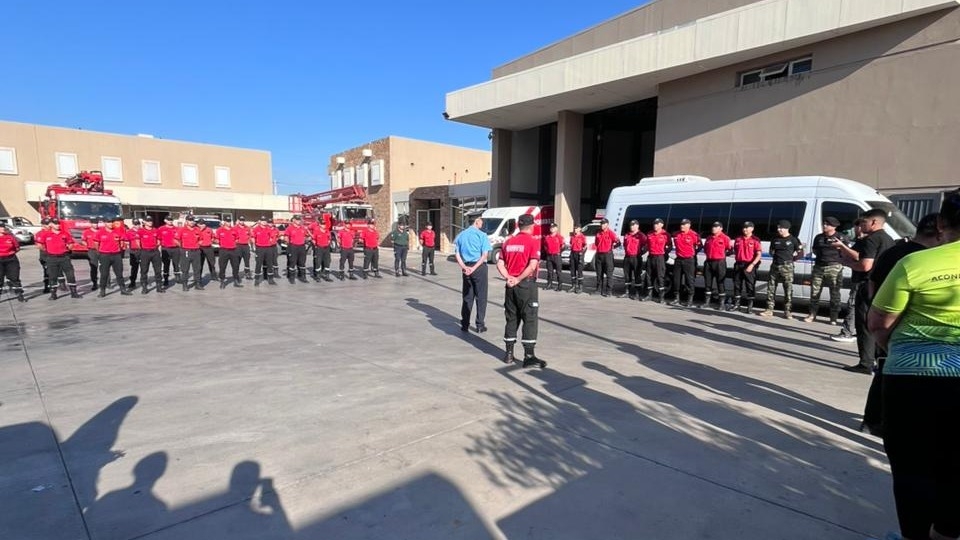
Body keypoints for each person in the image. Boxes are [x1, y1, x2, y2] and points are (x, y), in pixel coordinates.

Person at [868, 191, 960, 540]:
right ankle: (947, 532)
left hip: (912, 378)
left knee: (912, 466)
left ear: (941, 223)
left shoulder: (916, 264)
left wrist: (897, 349)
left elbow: (879, 323)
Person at [860, 213, 941, 436]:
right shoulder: (924, 259)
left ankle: (871, 420)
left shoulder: (893, 252)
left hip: (882, 320)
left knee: (883, 371)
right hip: (908, 327)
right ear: (939, 233)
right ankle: (889, 422)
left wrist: (876, 309)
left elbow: (872, 283)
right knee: (902, 378)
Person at [834, 208, 896, 373]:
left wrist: (846, 263)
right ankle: (878, 360)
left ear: (874, 222)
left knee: (864, 325)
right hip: (882, 285)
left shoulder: (872, 239)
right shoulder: (888, 239)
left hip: (867, 284)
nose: (861, 226)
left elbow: (865, 265)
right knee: (878, 324)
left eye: (864, 222)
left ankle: (865, 363)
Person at [496, 213, 545, 368]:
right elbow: (532, 265)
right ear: (532, 226)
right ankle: (529, 356)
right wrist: (518, 279)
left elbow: (500, 264)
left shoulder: (508, 242)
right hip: (526, 285)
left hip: (510, 286)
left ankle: (509, 354)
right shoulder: (533, 242)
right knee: (529, 317)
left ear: (518, 225)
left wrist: (509, 277)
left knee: (511, 317)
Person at [805, 216, 847, 324]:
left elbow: (847, 251)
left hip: (834, 267)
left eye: (827, 224)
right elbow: (815, 250)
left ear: (834, 226)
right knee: (815, 292)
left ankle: (833, 317)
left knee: (834, 294)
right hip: (819, 267)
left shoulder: (841, 237)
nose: (824, 226)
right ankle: (812, 314)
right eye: (824, 223)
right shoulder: (818, 237)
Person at [454, 215, 491, 333]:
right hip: (479, 267)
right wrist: (474, 268)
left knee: (467, 297)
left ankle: (465, 324)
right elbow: (484, 255)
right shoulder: (482, 235)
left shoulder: (461, 235)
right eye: (481, 220)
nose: (482, 223)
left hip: (467, 267)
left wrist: (464, 267)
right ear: (476, 221)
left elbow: (457, 254)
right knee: (481, 297)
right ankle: (480, 325)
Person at [760, 220, 803, 318]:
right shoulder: (775, 239)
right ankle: (769, 309)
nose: (779, 229)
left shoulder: (794, 240)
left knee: (788, 289)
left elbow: (800, 253)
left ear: (787, 228)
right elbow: (771, 251)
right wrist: (776, 258)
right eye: (778, 227)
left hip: (787, 267)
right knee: (771, 288)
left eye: (781, 228)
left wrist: (791, 260)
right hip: (775, 266)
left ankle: (787, 311)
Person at [34, 219, 81, 300]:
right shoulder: (46, 234)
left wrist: (68, 248)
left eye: (58, 224)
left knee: (70, 274)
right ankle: (53, 294)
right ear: (51, 224)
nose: (57, 225)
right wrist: (47, 250)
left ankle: (74, 292)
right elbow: (39, 245)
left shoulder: (64, 233)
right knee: (52, 276)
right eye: (55, 224)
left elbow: (71, 243)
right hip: (52, 258)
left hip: (64, 257)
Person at [728, 221, 763, 313]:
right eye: (744, 227)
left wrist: (752, 265)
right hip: (739, 264)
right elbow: (735, 251)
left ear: (752, 229)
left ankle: (749, 307)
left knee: (750, 285)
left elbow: (759, 254)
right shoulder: (738, 239)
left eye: (747, 227)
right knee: (737, 285)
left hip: (749, 265)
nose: (745, 229)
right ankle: (736, 305)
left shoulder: (755, 240)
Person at [94, 218, 132, 297]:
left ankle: (123, 289)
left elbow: (121, 242)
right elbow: (96, 243)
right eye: (108, 222)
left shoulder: (117, 231)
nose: (110, 224)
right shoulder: (100, 232)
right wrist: (100, 252)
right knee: (104, 274)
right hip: (105, 255)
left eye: (111, 222)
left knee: (119, 273)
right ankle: (102, 291)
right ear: (105, 223)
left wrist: (119, 250)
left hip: (116, 255)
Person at [669, 218, 701, 307]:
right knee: (676, 279)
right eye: (681, 224)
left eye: (684, 224)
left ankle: (689, 300)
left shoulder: (694, 235)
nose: (682, 226)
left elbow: (699, 245)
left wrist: (693, 253)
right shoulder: (676, 234)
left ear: (689, 225)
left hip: (689, 260)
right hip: (678, 259)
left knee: (689, 280)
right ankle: (676, 298)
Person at [701, 221, 732, 310]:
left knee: (720, 283)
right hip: (709, 262)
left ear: (721, 228)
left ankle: (721, 304)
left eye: (716, 227)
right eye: (713, 227)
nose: (713, 228)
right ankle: (707, 302)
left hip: (719, 263)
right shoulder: (709, 238)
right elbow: (705, 249)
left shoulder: (725, 238)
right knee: (708, 283)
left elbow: (730, 250)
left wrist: (721, 255)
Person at [643, 218, 671, 302]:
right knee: (649, 276)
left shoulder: (666, 234)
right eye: (654, 224)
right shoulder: (649, 234)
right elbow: (646, 245)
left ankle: (661, 297)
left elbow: (670, 246)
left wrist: (665, 253)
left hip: (660, 257)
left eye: (657, 224)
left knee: (660, 276)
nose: (655, 225)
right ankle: (649, 295)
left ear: (661, 225)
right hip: (651, 257)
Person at [620, 220, 647, 300]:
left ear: (637, 226)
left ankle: (637, 293)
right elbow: (625, 245)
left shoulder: (641, 235)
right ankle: (627, 292)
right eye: (631, 225)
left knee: (637, 276)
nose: (631, 226)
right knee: (627, 275)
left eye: (633, 225)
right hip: (627, 257)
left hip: (636, 257)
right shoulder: (627, 235)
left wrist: (640, 253)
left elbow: (646, 246)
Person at [0, 223, 26, 302]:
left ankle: (19, 294)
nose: (3, 228)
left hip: (11, 259)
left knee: (14, 277)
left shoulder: (10, 237)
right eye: (1, 227)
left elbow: (17, 248)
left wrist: (10, 253)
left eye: (3, 227)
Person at [176, 216, 204, 291]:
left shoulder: (197, 229)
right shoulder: (182, 230)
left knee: (197, 269)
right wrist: (182, 247)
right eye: (190, 220)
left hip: (196, 251)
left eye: (192, 220)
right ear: (186, 221)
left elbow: (201, 239)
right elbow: (176, 240)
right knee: (185, 269)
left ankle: (197, 284)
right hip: (186, 251)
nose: (192, 222)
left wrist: (199, 244)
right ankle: (185, 285)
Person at [137, 217, 163, 294]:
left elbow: (159, 240)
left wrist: (156, 248)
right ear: (144, 222)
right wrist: (141, 251)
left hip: (155, 252)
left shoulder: (156, 230)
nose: (150, 222)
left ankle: (159, 286)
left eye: (151, 220)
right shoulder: (140, 231)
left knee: (158, 270)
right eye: (148, 221)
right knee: (144, 270)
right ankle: (144, 287)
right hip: (145, 252)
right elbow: (138, 242)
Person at [593, 218, 619, 297]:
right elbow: (596, 243)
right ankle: (599, 289)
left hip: (607, 255)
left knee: (609, 274)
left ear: (607, 224)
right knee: (599, 273)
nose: (602, 225)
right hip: (599, 255)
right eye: (601, 223)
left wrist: (611, 248)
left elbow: (618, 242)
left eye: (604, 224)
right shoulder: (598, 233)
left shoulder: (611, 233)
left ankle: (608, 291)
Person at [283, 215, 309, 283]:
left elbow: (306, 236)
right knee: (292, 262)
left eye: (299, 220)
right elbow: (286, 237)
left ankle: (303, 277)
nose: (298, 221)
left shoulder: (303, 228)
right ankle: (292, 278)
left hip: (301, 247)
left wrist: (306, 240)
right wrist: (289, 243)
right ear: (294, 220)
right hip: (293, 247)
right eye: (297, 220)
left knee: (302, 262)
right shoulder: (289, 228)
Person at [252, 217, 278, 286]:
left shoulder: (268, 229)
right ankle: (257, 280)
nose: (264, 222)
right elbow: (253, 237)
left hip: (268, 248)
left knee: (269, 264)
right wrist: (254, 246)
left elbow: (272, 236)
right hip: (259, 248)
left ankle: (271, 279)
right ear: (260, 221)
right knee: (258, 264)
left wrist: (270, 242)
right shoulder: (256, 229)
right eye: (262, 220)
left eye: (265, 221)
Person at [158, 216, 182, 288]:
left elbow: (180, 239)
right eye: (168, 220)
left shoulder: (177, 229)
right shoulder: (161, 229)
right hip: (166, 249)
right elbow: (159, 239)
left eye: (171, 220)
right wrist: (159, 249)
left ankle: (178, 277)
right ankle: (166, 279)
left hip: (176, 249)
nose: (170, 221)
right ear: (165, 220)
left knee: (176, 264)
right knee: (166, 265)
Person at [82, 219, 103, 290]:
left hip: (101, 250)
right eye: (94, 223)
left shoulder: (101, 231)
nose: (95, 225)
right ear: (91, 224)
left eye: (96, 223)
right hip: (92, 251)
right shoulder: (86, 232)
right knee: (94, 267)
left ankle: (106, 282)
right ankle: (94, 283)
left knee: (104, 266)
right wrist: (87, 245)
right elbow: (83, 241)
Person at [543, 223, 564, 292]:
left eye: (553, 227)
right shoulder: (547, 237)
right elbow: (545, 245)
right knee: (549, 271)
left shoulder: (559, 237)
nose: (551, 228)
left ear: (556, 228)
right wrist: (547, 251)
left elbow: (562, 246)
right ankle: (549, 284)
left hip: (556, 256)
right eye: (551, 227)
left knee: (558, 272)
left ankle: (559, 286)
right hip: (549, 256)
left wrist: (559, 252)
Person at [567, 225, 587, 294]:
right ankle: (573, 286)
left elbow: (585, 246)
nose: (575, 229)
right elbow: (570, 244)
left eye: (576, 228)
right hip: (573, 253)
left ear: (580, 229)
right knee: (572, 271)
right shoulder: (572, 236)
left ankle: (580, 287)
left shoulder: (582, 237)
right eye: (574, 228)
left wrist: (582, 254)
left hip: (579, 254)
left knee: (579, 271)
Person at [36, 218, 52, 294]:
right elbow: (39, 246)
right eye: (47, 224)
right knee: (47, 271)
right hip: (45, 255)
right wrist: (48, 250)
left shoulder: (53, 232)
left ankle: (59, 284)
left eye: (49, 223)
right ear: (43, 225)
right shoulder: (40, 233)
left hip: (54, 255)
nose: (49, 225)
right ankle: (47, 286)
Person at [127, 219, 143, 289]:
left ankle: (143, 281)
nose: (137, 226)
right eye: (135, 224)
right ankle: (132, 282)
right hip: (133, 251)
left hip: (142, 251)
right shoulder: (129, 232)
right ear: (133, 224)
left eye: (138, 224)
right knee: (134, 268)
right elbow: (126, 241)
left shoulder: (142, 231)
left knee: (144, 267)